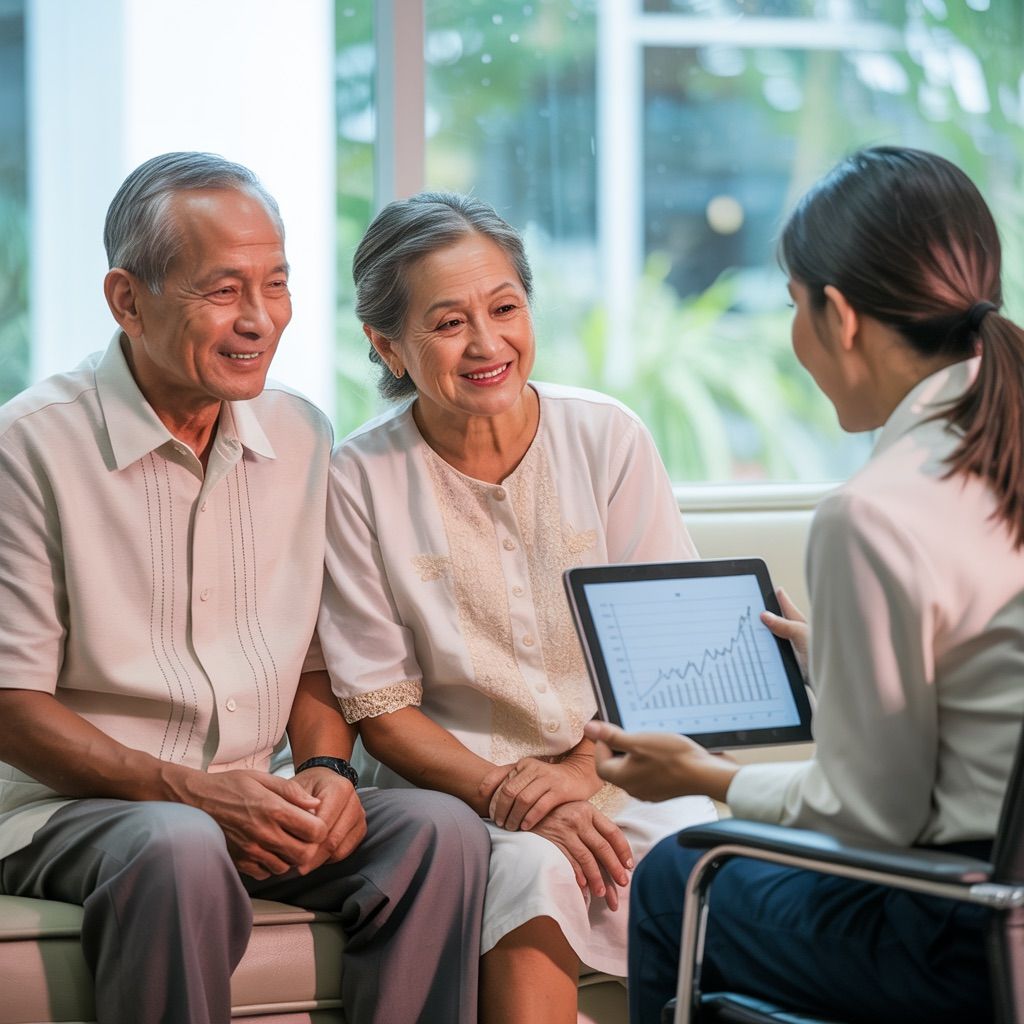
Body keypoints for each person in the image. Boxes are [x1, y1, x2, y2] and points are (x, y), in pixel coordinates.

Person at [0, 152, 490, 1024]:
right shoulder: (29, 447)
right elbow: (11, 705)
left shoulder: (301, 435)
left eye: (277, 284)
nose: (259, 320)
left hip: (247, 800)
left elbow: (311, 662)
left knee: (439, 834)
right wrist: (187, 791)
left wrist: (330, 771)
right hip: (72, 811)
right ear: (127, 299)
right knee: (179, 845)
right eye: (222, 291)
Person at [585, 146, 1024, 1024]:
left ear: (840, 315)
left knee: (681, 876)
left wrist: (705, 774)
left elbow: (867, 819)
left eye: (793, 306)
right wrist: (839, 656)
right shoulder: (997, 444)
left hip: (960, 935)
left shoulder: (878, 513)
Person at [317, 191, 717, 1024]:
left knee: (695, 851)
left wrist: (577, 776)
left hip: (614, 770)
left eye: (505, 307)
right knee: (531, 866)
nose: (488, 343)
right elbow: (383, 711)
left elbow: (667, 653)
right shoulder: (355, 481)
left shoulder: (607, 437)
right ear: (386, 344)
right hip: (464, 791)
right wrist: (511, 796)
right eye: (449, 322)